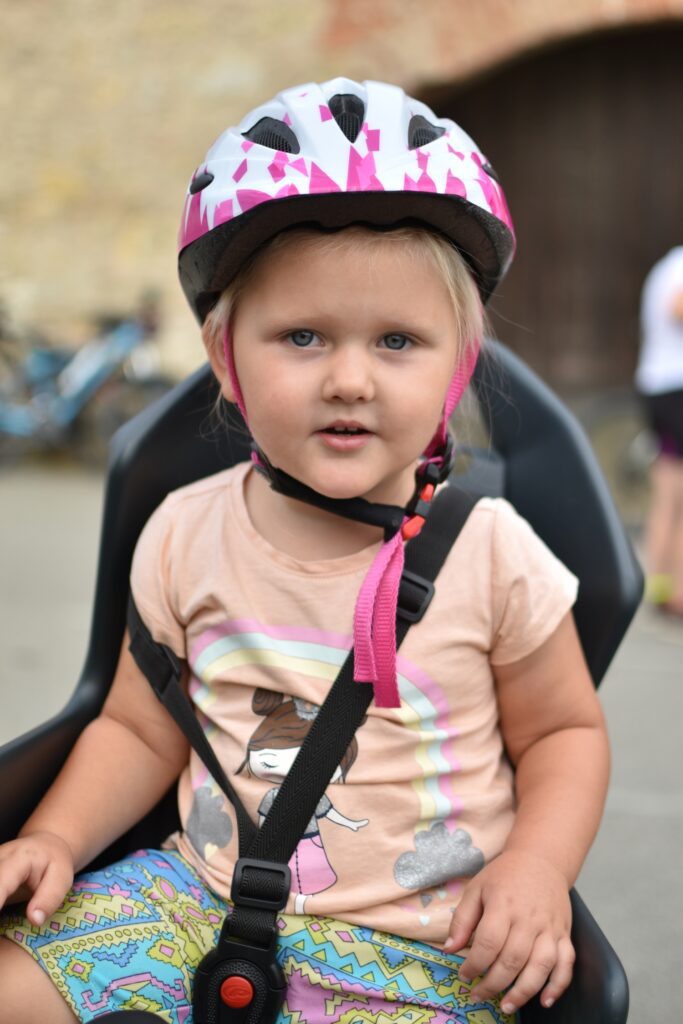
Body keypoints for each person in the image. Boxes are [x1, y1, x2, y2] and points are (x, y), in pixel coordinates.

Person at [0, 78, 610, 1024]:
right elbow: (136, 729)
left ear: (458, 366)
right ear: (225, 357)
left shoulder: (491, 553)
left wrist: (536, 866)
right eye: (302, 337)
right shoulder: (183, 531)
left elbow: (562, 735)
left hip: (422, 949)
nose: (350, 379)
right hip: (192, 903)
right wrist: (54, 838)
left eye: (397, 340)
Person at [635, 246, 683, 617]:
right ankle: (678, 591)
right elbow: (677, 307)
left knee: (668, 491)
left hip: (657, 386)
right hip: (675, 388)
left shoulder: (668, 263)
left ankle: (660, 585)